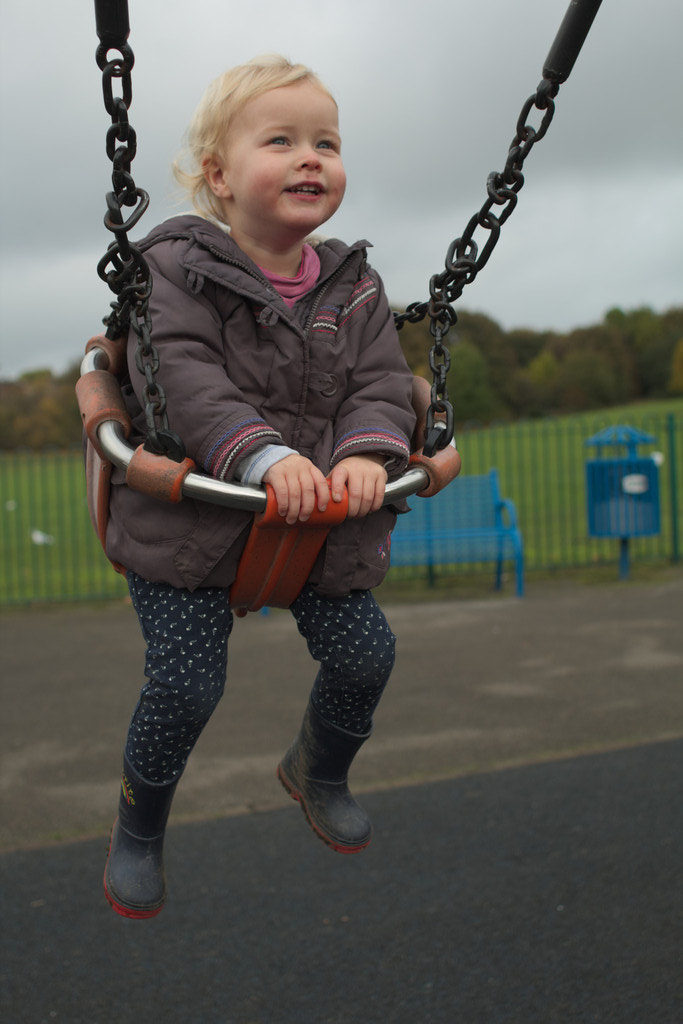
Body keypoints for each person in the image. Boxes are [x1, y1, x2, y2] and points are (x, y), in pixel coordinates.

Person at [102, 54, 417, 919]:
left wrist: (367, 454)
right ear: (218, 174)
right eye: (281, 140)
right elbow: (185, 374)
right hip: (196, 522)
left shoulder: (353, 288)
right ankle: (140, 824)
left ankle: (317, 768)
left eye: (327, 142)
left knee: (367, 655)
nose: (311, 157)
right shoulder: (173, 270)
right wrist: (263, 455)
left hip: (313, 526)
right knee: (186, 686)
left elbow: (381, 384)